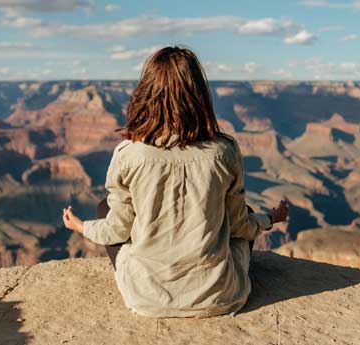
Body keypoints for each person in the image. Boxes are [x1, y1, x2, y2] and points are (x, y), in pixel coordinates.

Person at [61, 46, 289, 318]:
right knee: (246, 212)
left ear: (147, 93)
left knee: (104, 209)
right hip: (220, 297)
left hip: (146, 298)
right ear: (199, 94)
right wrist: (269, 219)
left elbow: (117, 231)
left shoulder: (128, 154)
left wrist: (80, 226)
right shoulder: (224, 151)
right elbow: (240, 225)